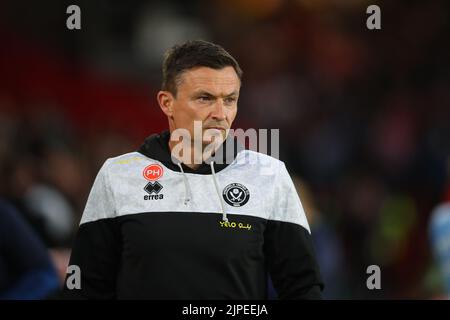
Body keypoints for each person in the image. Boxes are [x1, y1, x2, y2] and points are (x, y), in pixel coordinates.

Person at [63, 40, 324, 299]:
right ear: (167, 103)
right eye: (205, 98)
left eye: (230, 100)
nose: (220, 113)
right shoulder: (118, 175)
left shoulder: (269, 175)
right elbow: (86, 288)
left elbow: (303, 288)